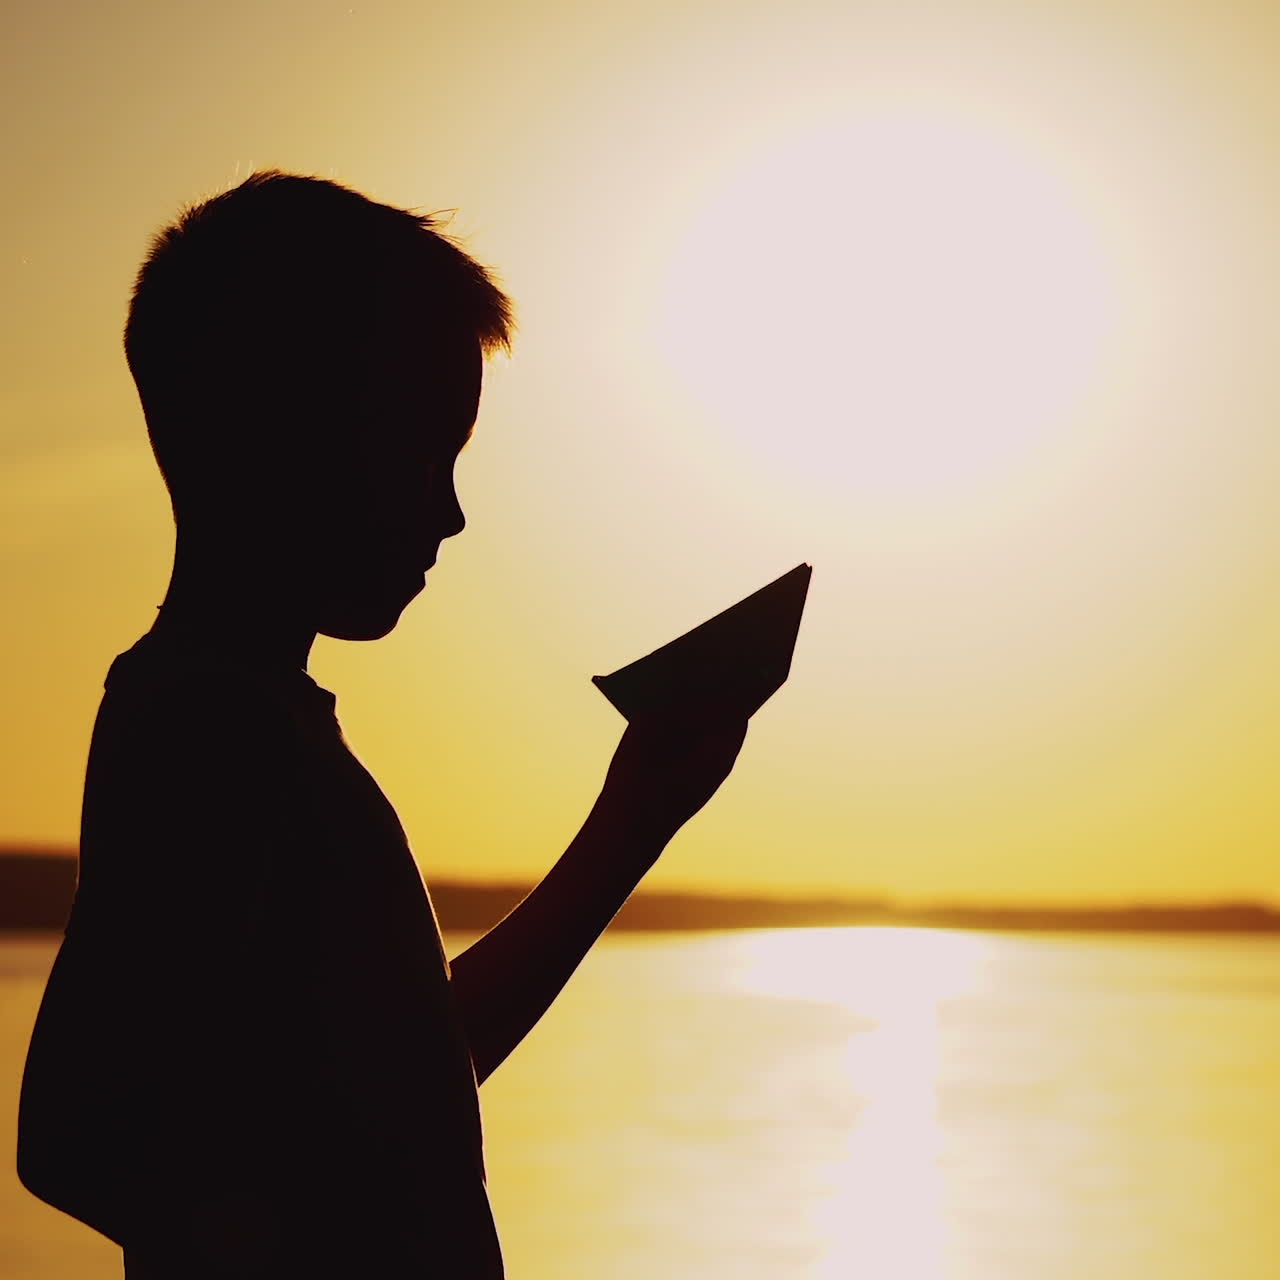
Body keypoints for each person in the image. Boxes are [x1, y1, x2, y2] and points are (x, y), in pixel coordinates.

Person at [16, 171, 749, 1278]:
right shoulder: (209, 737)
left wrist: (633, 818)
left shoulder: (256, 728)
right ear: (276, 435)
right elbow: (77, 1134)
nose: (450, 512)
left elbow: (413, 1074)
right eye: (423, 453)